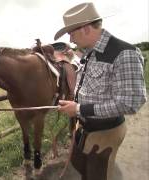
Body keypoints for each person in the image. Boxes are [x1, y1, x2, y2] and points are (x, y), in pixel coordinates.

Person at [56, 2, 147, 180]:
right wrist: (77, 108)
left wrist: (78, 109)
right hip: (86, 128)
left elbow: (130, 103)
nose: (71, 40)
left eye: (72, 33)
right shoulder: (90, 53)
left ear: (85, 29)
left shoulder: (124, 53)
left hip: (105, 131)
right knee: (83, 169)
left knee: (98, 175)